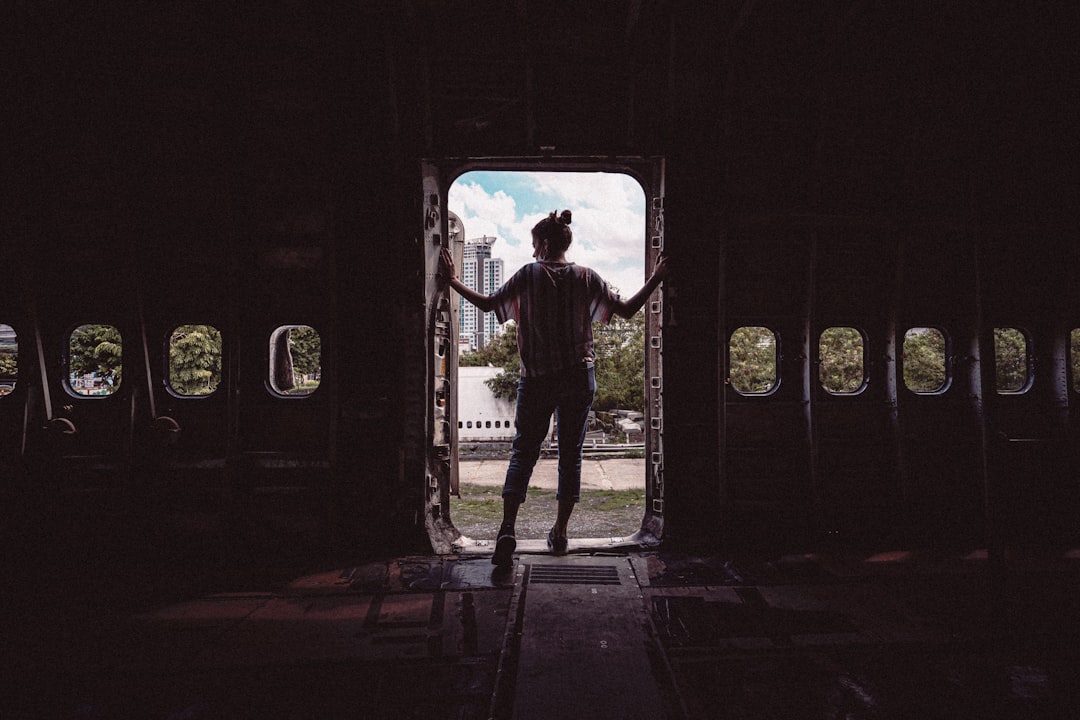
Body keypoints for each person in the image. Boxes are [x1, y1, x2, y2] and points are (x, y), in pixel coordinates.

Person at [440, 209, 669, 566]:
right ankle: (560, 533)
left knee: (523, 453)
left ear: (545, 244)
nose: (533, 253)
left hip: (536, 379)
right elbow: (624, 311)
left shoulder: (529, 275)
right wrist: (656, 278)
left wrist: (452, 280)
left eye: (534, 245)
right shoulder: (586, 277)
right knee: (570, 455)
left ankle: (507, 528)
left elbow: (488, 306)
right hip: (579, 377)